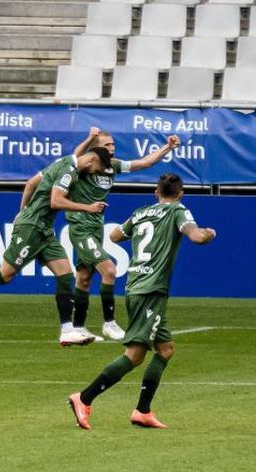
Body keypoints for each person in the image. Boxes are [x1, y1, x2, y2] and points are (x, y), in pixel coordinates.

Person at [68, 173, 216, 429]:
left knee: (166, 348)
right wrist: (208, 233)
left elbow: (114, 236)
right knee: (135, 355)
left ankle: (143, 411)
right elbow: (196, 237)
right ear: (180, 194)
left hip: (137, 285)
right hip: (150, 291)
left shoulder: (141, 213)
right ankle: (84, 397)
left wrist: (138, 229)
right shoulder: (179, 212)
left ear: (156, 193)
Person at [0, 147, 113, 346]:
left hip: (45, 230)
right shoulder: (69, 170)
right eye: (96, 169)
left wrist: (21, 211)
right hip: (32, 228)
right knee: (5, 275)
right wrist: (88, 207)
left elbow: (32, 183)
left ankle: (67, 330)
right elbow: (55, 201)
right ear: (92, 160)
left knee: (66, 275)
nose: (94, 173)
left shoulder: (66, 161)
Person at [68, 128, 181, 342]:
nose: (112, 149)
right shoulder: (86, 165)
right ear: (94, 150)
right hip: (80, 226)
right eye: (107, 145)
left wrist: (167, 147)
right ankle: (109, 324)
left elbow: (144, 163)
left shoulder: (113, 166)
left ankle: (78, 327)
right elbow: (74, 158)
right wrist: (89, 139)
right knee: (109, 270)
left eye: (113, 145)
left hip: (94, 227)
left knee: (83, 278)